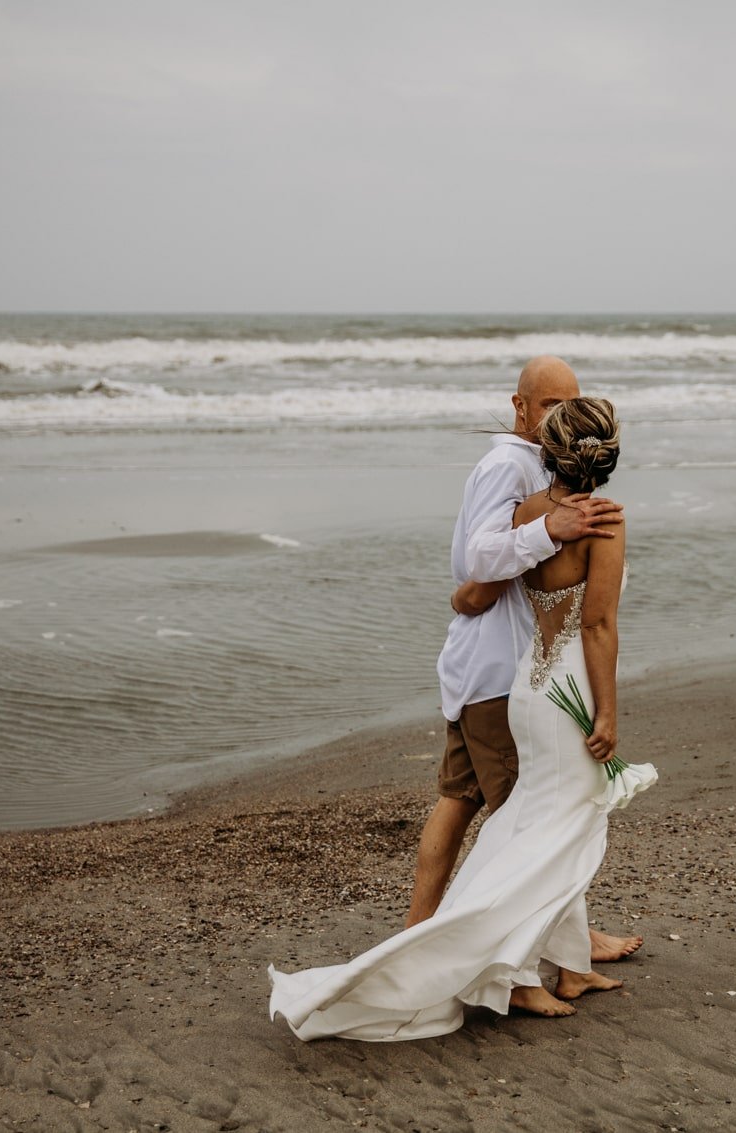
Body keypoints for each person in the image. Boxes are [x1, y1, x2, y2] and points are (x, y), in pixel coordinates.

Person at [266, 394, 633, 1039]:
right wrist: (607, 711)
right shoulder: (602, 519)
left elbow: (473, 585)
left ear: (550, 452)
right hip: (565, 691)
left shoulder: (526, 514)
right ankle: (511, 974)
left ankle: (570, 966)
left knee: (541, 826)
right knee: (551, 832)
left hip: (529, 684)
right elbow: (599, 624)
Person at [409, 356, 641, 968]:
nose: (559, 416)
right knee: (532, 826)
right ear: (519, 406)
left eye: (570, 404)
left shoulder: (534, 473)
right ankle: (523, 958)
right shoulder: (511, 465)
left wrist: (471, 594)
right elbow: (481, 559)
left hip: (486, 667)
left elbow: (477, 577)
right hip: (500, 672)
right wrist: (552, 529)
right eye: (547, 406)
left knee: (460, 800)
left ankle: (416, 932)